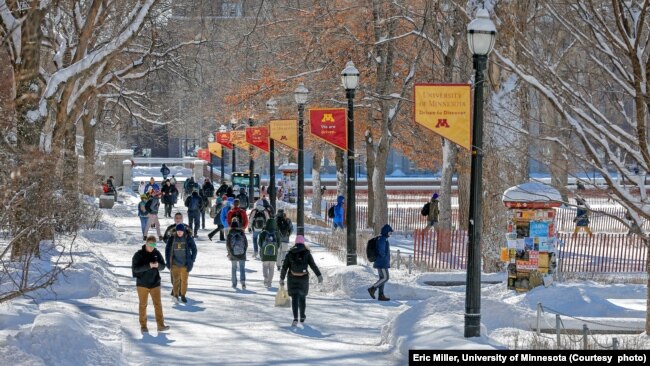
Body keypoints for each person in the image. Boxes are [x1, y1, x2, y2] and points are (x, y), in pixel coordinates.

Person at [279, 235, 322, 327]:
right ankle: (302, 316)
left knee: (294, 298)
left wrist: (281, 278)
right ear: (303, 242)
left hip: (292, 278)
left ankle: (295, 318)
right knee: (302, 297)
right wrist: (319, 275)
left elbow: (284, 267)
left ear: (295, 242)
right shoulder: (307, 253)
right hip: (303, 279)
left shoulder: (290, 252)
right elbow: (313, 265)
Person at [132, 236, 170, 333]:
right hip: (142, 284)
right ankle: (143, 326)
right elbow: (135, 269)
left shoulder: (157, 253)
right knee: (143, 305)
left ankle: (160, 325)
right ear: (146, 243)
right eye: (149, 245)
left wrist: (158, 266)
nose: (151, 247)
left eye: (153, 245)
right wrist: (148, 266)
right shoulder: (138, 254)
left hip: (155, 283)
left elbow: (163, 266)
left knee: (158, 305)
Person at [165, 224, 197, 303]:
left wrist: (192, 260)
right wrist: (168, 261)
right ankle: (175, 295)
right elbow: (167, 250)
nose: (179, 233)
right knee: (176, 281)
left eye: (181, 231)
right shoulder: (172, 238)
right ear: (176, 231)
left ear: (183, 231)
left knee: (184, 281)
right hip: (175, 263)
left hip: (185, 264)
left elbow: (194, 249)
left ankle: (183, 295)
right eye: (178, 231)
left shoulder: (188, 238)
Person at [367, 224, 394, 302]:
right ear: (386, 232)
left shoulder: (382, 238)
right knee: (386, 278)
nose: (390, 234)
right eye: (389, 232)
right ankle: (372, 289)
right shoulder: (382, 239)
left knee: (382, 278)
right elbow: (381, 250)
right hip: (382, 262)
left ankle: (381, 295)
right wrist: (384, 256)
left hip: (381, 262)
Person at [259, 218, 280, 288]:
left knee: (265, 267)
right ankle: (269, 282)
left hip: (265, 254)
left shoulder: (263, 233)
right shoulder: (277, 233)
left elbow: (260, 243)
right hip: (273, 254)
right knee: (272, 268)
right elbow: (279, 244)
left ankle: (265, 279)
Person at [226, 220, 248, 289]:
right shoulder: (242, 233)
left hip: (233, 254)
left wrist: (230, 252)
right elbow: (246, 244)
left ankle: (234, 283)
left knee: (234, 268)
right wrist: (244, 251)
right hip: (242, 254)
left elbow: (228, 245)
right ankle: (243, 282)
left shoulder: (230, 234)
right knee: (242, 268)